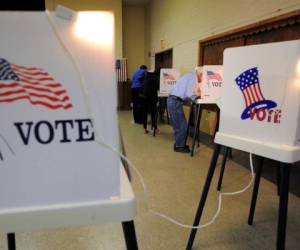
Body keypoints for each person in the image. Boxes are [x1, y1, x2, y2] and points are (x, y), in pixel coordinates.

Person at [167, 69, 202, 153]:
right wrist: (198, 96)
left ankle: (179, 144)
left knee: (178, 126)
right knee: (182, 126)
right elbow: (190, 93)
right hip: (175, 101)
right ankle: (180, 146)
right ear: (200, 73)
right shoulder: (194, 78)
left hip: (172, 100)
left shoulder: (189, 75)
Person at [140, 68, 160, 134]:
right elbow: (157, 88)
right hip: (153, 98)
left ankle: (144, 128)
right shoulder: (156, 78)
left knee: (144, 113)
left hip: (144, 97)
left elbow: (142, 87)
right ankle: (154, 128)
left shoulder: (144, 77)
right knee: (153, 113)